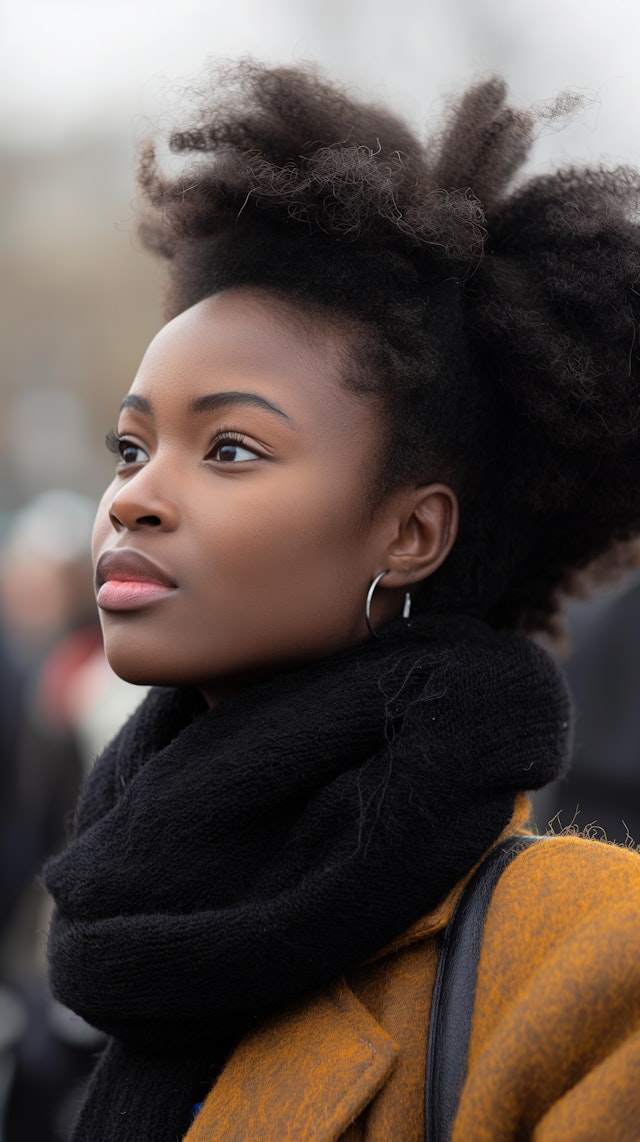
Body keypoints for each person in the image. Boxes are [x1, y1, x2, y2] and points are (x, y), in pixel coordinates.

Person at [44, 63, 640, 1142]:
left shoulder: (591, 954)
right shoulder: (134, 931)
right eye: (128, 447)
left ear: (408, 534)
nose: (133, 495)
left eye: (229, 447)